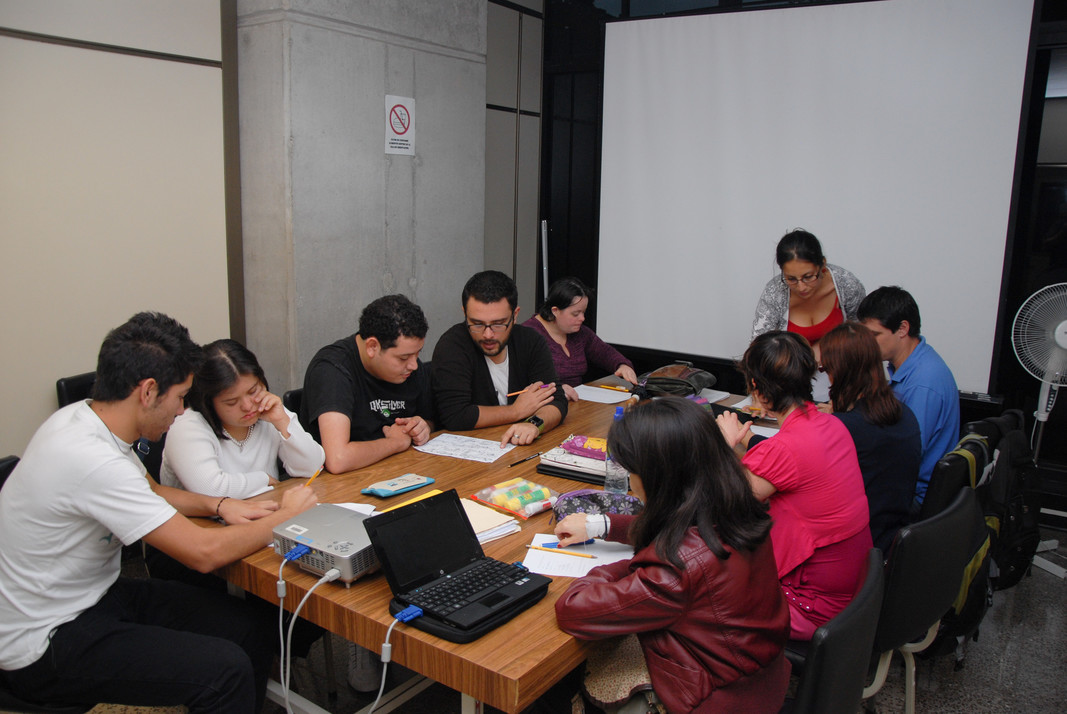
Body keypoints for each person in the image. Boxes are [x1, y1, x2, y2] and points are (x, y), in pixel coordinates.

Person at [0, 312, 318, 713]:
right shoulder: (92, 459)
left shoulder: (86, 419)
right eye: (181, 397)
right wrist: (282, 516)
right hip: (43, 640)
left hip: (94, 597)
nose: (183, 411)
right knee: (225, 672)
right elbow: (204, 553)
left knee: (250, 627)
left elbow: (151, 490)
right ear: (148, 391)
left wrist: (220, 504)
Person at [553, 398, 790, 713]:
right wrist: (605, 525)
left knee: (554, 692)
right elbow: (679, 532)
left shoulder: (676, 568)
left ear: (656, 476)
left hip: (711, 700)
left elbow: (573, 610)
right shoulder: (737, 508)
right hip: (758, 681)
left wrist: (620, 569)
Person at [716, 331, 871, 641]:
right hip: (856, 600)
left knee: (700, 590)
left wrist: (723, 444)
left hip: (816, 609)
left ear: (758, 391)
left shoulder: (785, 450)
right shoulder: (831, 424)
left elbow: (724, 500)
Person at [161, 339, 324, 499]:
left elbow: (312, 467)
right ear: (208, 403)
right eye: (232, 402)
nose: (247, 406)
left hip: (264, 515)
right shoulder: (187, 427)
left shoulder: (267, 410)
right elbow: (212, 490)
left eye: (253, 391)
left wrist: (283, 422)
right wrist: (263, 479)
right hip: (206, 525)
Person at [300, 294, 434, 473]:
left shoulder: (410, 367)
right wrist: (394, 443)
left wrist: (422, 427)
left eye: (418, 353)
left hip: (400, 470)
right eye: (403, 357)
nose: (414, 365)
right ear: (372, 347)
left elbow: (431, 419)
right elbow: (338, 459)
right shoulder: (332, 370)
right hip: (339, 485)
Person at [432, 270, 568, 446]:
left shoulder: (530, 341)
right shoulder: (452, 345)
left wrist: (534, 424)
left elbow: (556, 400)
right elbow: (456, 416)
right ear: (465, 313)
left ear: (515, 315)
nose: (488, 334)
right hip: (465, 452)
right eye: (477, 323)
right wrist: (516, 412)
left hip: (516, 447)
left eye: (498, 324)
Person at [820, 322, 922, 552]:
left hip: (858, 545)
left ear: (838, 371)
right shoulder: (904, 413)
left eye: (826, 368)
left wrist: (747, 439)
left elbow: (790, 463)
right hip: (892, 536)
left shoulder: (845, 428)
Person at [857, 286, 960, 510]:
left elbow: (904, 455)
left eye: (874, 335)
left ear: (903, 328)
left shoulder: (924, 382)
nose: (867, 344)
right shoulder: (912, 365)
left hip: (914, 498)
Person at [751, 229, 865, 401]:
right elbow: (759, 348)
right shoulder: (775, 293)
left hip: (844, 382)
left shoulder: (845, 284)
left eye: (808, 277)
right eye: (791, 279)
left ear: (823, 265)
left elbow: (861, 334)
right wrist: (759, 395)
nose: (801, 287)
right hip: (790, 386)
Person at [522, 276, 637, 401]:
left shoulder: (580, 333)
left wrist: (622, 365)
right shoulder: (527, 335)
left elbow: (605, 352)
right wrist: (556, 389)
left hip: (577, 403)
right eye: (575, 314)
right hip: (545, 406)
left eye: (584, 312)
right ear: (555, 310)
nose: (582, 318)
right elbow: (522, 382)